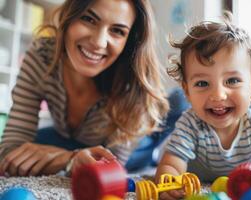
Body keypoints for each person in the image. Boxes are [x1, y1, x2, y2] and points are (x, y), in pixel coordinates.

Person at [0, 0, 174, 177]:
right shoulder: (42, 55)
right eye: (88, 19)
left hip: (134, 146)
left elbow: (110, 170)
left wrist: (64, 157)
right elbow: (10, 151)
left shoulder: (134, 86)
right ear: (68, 17)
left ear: (129, 41)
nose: (99, 42)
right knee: (30, 151)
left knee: (177, 103)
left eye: (117, 31)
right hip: (66, 139)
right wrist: (69, 158)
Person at [155, 13, 251, 199]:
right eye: (202, 83)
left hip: (245, 181)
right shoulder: (189, 123)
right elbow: (171, 166)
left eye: (232, 80)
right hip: (197, 178)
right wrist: (169, 182)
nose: (218, 95)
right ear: (187, 92)